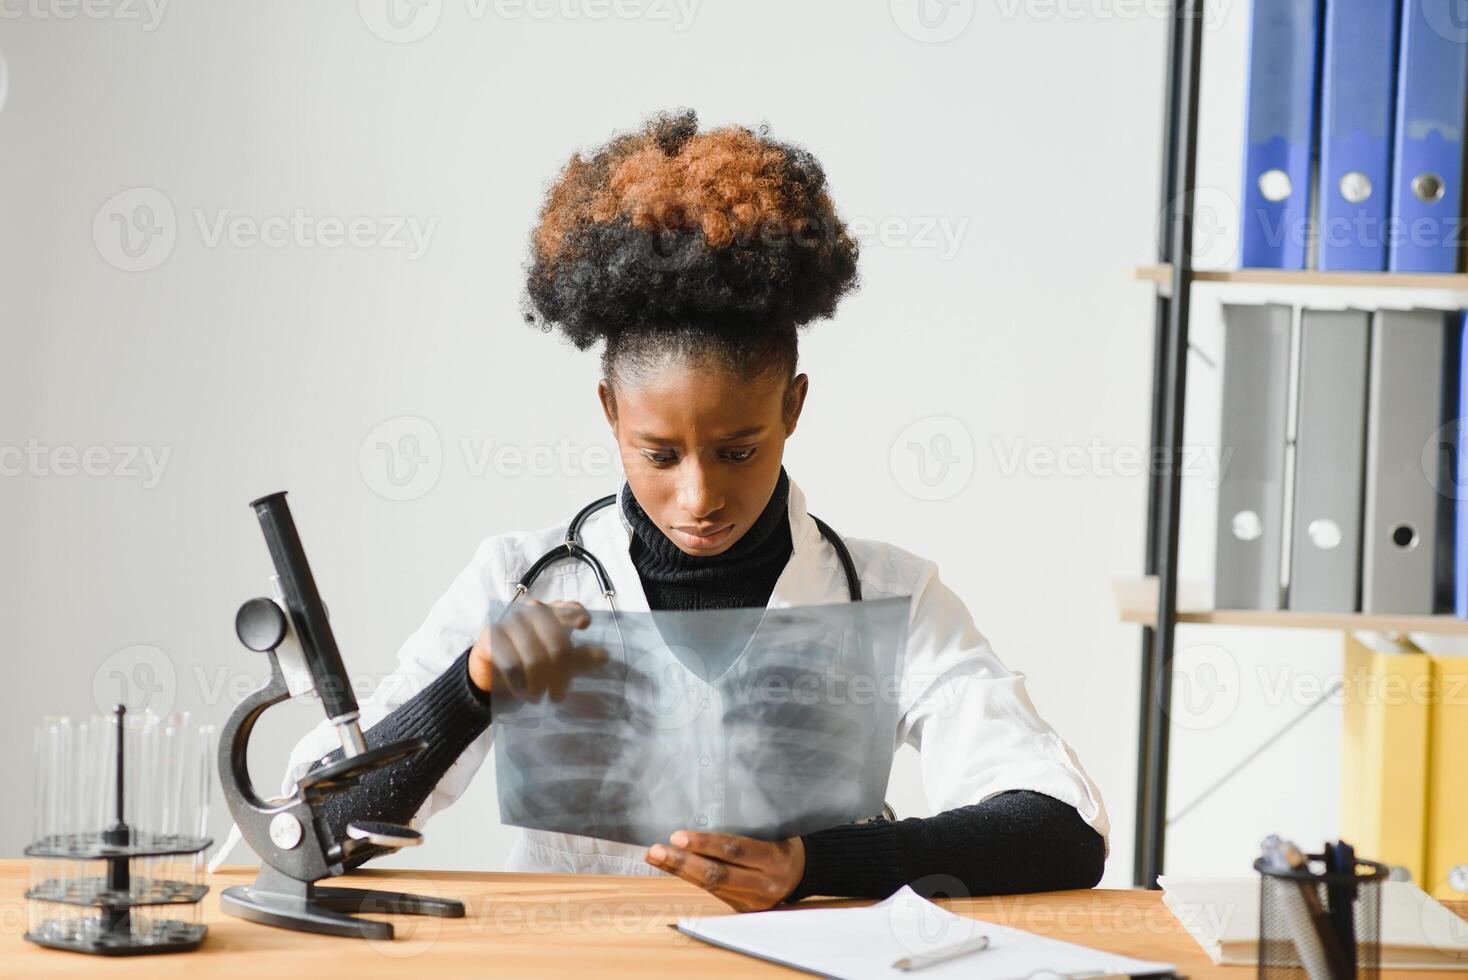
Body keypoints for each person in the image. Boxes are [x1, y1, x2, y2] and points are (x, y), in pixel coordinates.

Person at [283, 109, 1109, 912]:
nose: (701, 497)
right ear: (611, 413)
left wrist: (814, 864)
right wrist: (467, 690)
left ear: (793, 407)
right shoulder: (516, 580)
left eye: (738, 450)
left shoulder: (891, 595)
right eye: (660, 454)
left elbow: (1060, 829)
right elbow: (313, 835)